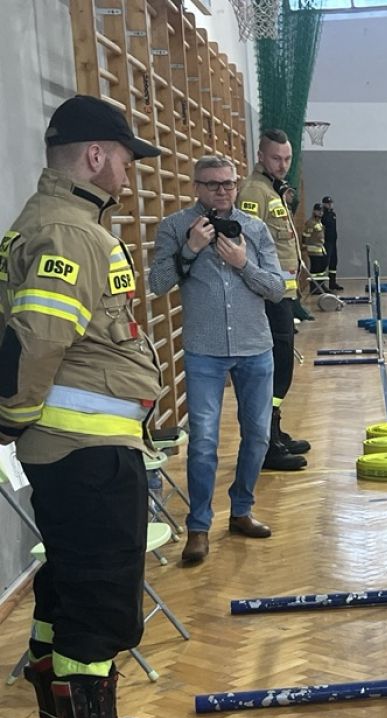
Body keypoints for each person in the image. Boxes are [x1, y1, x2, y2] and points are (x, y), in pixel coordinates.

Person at [0, 94, 180, 718]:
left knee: (65, 595)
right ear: (96, 155)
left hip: (77, 452)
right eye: (128, 158)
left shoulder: (54, 221)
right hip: (85, 456)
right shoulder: (70, 232)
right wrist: (11, 421)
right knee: (99, 608)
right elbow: (36, 341)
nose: (132, 173)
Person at [150, 155, 287, 564]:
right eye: (212, 184)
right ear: (196, 187)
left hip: (255, 346)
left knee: (258, 435)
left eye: (228, 183)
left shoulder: (255, 229)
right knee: (204, 442)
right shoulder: (175, 227)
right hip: (204, 350)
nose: (222, 191)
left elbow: (277, 289)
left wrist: (243, 264)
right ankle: (199, 526)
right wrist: (191, 249)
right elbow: (157, 283)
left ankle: (241, 510)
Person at [236, 129, 309, 471]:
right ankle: (265, 445)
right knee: (274, 372)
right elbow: (248, 248)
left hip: (282, 296)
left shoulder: (272, 190)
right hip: (268, 298)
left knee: (281, 370)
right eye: (276, 158)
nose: (283, 165)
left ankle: (273, 433)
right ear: (261, 157)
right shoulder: (255, 192)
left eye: (287, 158)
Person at [303, 203, 328, 293]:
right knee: (315, 269)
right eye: (318, 211)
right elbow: (305, 236)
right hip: (313, 250)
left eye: (322, 211)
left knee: (321, 269)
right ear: (314, 211)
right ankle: (314, 287)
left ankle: (321, 285)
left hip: (320, 249)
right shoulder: (311, 223)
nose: (320, 213)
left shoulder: (319, 222)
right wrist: (304, 245)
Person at [320, 195, 343, 291]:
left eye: (331, 203)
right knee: (325, 263)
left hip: (333, 241)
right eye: (327, 203)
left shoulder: (333, 214)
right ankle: (321, 285)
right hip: (326, 242)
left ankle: (332, 283)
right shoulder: (322, 215)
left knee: (333, 262)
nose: (330, 205)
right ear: (324, 204)